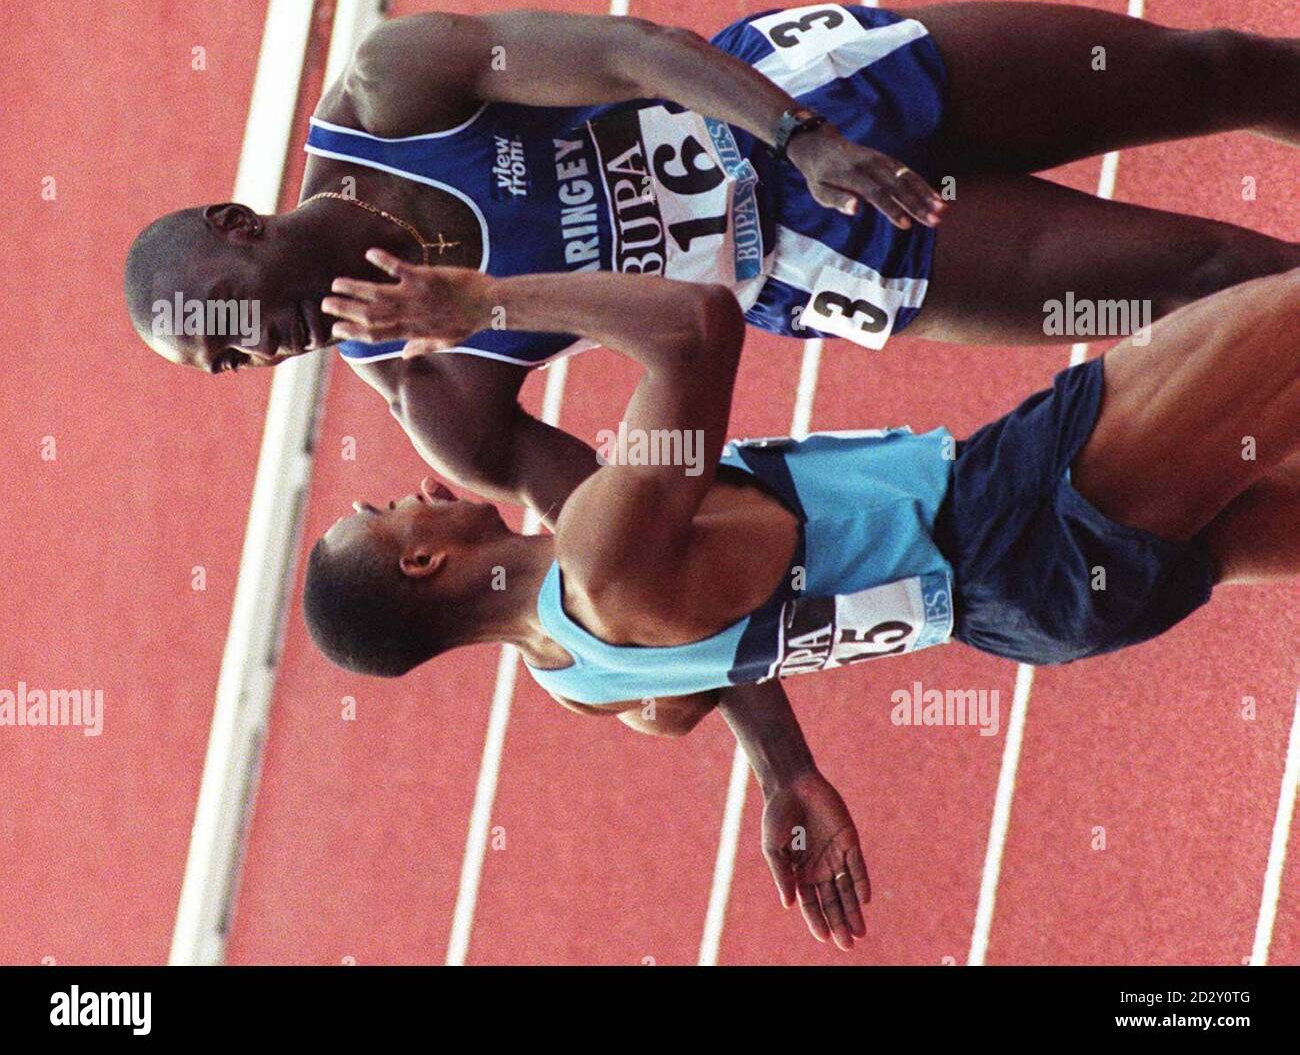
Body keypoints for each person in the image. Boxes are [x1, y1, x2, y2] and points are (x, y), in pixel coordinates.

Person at [301, 250, 1300, 947]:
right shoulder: (603, 554)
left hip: (1024, 610)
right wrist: (482, 302)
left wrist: (785, 768)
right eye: (398, 512)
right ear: (424, 567)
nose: (421, 488)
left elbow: (717, 659)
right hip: (1018, 508)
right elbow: (696, 325)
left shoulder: (587, 681)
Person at [126, 3, 1299, 526]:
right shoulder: (442, 398)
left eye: (224, 318)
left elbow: (637, 52)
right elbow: (637, 560)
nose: (257, 348)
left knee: (1209, 66)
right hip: (818, 252)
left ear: (237, 223)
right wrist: (774, 758)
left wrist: (810, 140)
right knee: (1223, 287)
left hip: (808, 97)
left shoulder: (393, 90)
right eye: (226, 362)